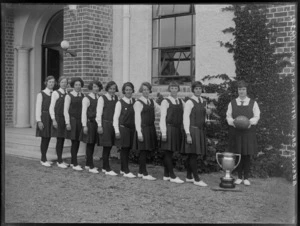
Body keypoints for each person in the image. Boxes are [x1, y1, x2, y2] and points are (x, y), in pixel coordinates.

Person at [226, 80, 260, 186]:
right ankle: (239, 177)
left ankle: (246, 177)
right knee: (238, 154)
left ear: (246, 90)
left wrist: (249, 123)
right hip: (236, 132)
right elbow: (228, 116)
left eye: (243, 89)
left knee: (246, 154)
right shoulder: (232, 103)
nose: (241, 91)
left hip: (248, 132)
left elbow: (257, 116)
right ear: (237, 90)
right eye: (239, 89)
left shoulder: (253, 103)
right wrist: (234, 123)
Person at [132, 82, 160, 181]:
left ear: (150, 90)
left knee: (147, 150)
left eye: (147, 89)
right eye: (144, 90)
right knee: (143, 151)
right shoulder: (138, 103)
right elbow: (137, 119)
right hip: (143, 129)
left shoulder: (152, 102)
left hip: (150, 128)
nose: (146, 91)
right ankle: (144, 173)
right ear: (141, 91)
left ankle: (140, 172)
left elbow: (159, 110)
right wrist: (139, 132)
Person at [182, 81, 208, 187]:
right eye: (196, 88)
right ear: (193, 90)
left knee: (193, 155)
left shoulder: (203, 101)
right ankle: (196, 179)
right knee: (193, 155)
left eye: (200, 88)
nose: (198, 90)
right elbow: (185, 118)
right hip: (192, 131)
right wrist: (188, 134)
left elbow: (203, 117)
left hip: (200, 130)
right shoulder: (189, 102)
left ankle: (189, 176)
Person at [159, 81, 184, 184]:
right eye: (172, 88)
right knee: (168, 153)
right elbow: (162, 118)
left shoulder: (181, 101)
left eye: (176, 88)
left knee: (171, 152)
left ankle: (166, 174)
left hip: (177, 129)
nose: (174, 90)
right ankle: (172, 176)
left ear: (178, 89)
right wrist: (163, 133)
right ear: (169, 89)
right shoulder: (165, 101)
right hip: (168, 128)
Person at [113, 82, 136, 178]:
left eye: (130, 89)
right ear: (123, 91)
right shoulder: (120, 102)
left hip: (132, 129)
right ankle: (126, 171)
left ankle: (123, 169)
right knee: (124, 150)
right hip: (123, 129)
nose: (128, 91)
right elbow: (115, 118)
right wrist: (117, 131)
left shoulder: (135, 102)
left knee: (128, 149)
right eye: (126, 90)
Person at [80, 80, 103, 174]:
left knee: (93, 143)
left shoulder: (100, 98)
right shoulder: (87, 98)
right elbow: (83, 113)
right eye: (94, 87)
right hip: (89, 123)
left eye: (97, 87)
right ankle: (90, 165)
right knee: (89, 144)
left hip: (96, 123)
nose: (96, 89)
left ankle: (88, 164)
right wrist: (84, 125)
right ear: (91, 88)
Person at [96, 81, 119, 176]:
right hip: (105, 124)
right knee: (106, 146)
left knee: (110, 146)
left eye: (114, 89)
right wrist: (99, 125)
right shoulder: (102, 98)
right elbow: (99, 113)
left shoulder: (116, 98)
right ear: (107, 89)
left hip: (113, 124)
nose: (112, 90)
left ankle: (105, 167)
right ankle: (107, 168)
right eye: (110, 89)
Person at [64, 77, 85, 171]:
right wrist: (67, 122)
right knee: (74, 142)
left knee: (78, 141)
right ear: (73, 85)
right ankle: (74, 162)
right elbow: (65, 110)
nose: (78, 86)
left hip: (80, 121)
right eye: (76, 85)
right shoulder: (69, 96)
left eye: (79, 85)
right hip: (72, 121)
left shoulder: (83, 95)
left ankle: (73, 162)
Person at [49, 76, 69, 169]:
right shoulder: (55, 93)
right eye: (62, 82)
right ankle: (59, 160)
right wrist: (54, 120)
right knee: (59, 140)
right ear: (59, 83)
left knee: (63, 139)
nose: (64, 84)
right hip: (58, 118)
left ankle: (60, 159)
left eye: (65, 82)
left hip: (65, 119)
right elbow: (51, 107)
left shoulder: (67, 93)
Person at [36, 76, 55, 167]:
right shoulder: (41, 94)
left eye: (53, 82)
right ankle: (43, 159)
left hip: (52, 117)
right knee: (44, 138)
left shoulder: (54, 93)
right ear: (46, 83)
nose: (51, 84)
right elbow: (38, 108)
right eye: (49, 82)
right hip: (44, 117)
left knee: (48, 138)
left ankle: (45, 158)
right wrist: (39, 121)